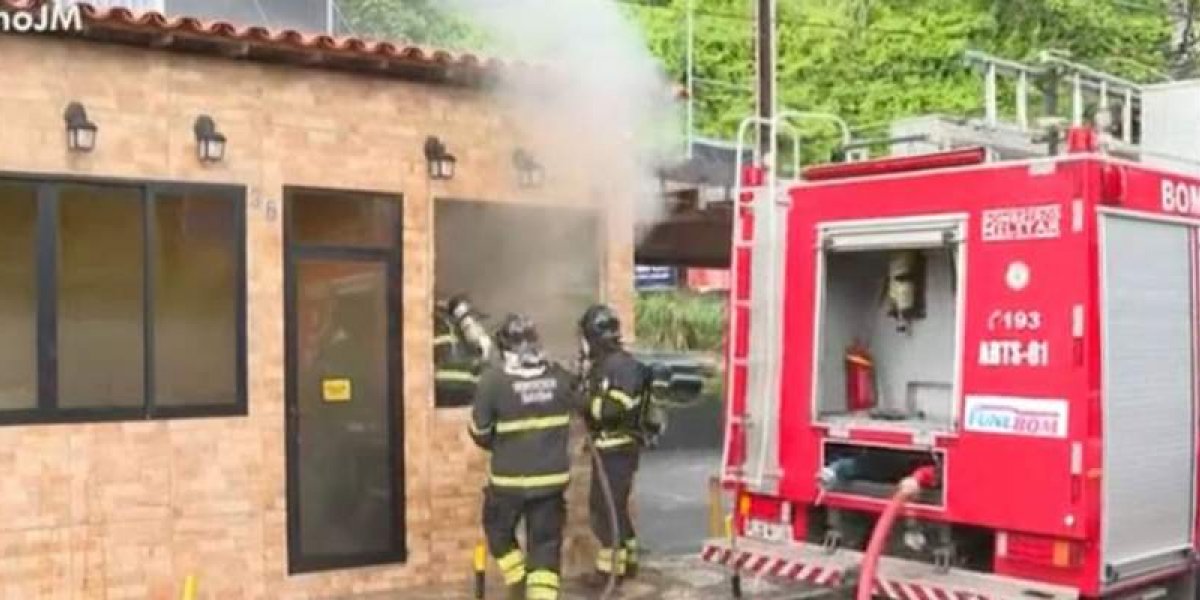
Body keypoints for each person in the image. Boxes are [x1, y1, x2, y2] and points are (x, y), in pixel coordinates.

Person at [469, 314, 578, 600]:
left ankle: (517, 578)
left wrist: (503, 444)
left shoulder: (493, 382)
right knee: (545, 545)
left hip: (509, 481)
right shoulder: (560, 378)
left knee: (498, 530)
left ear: (505, 348)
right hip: (551, 482)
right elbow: (583, 403)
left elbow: (480, 433)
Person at [576, 304, 652, 586]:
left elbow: (611, 411)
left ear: (595, 338)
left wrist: (582, 402)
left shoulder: (622, 368)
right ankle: (628, 561)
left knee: (603, 510)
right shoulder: (607, 365)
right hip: (610, 449)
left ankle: (610, 572)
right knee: (616, 508)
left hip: (617, 450)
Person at [434, 293, 493, 407]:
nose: (477, 327)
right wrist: (485, 353)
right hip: (457, 393)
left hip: (452, 394)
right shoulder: (448, 335)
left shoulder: (447, 331)